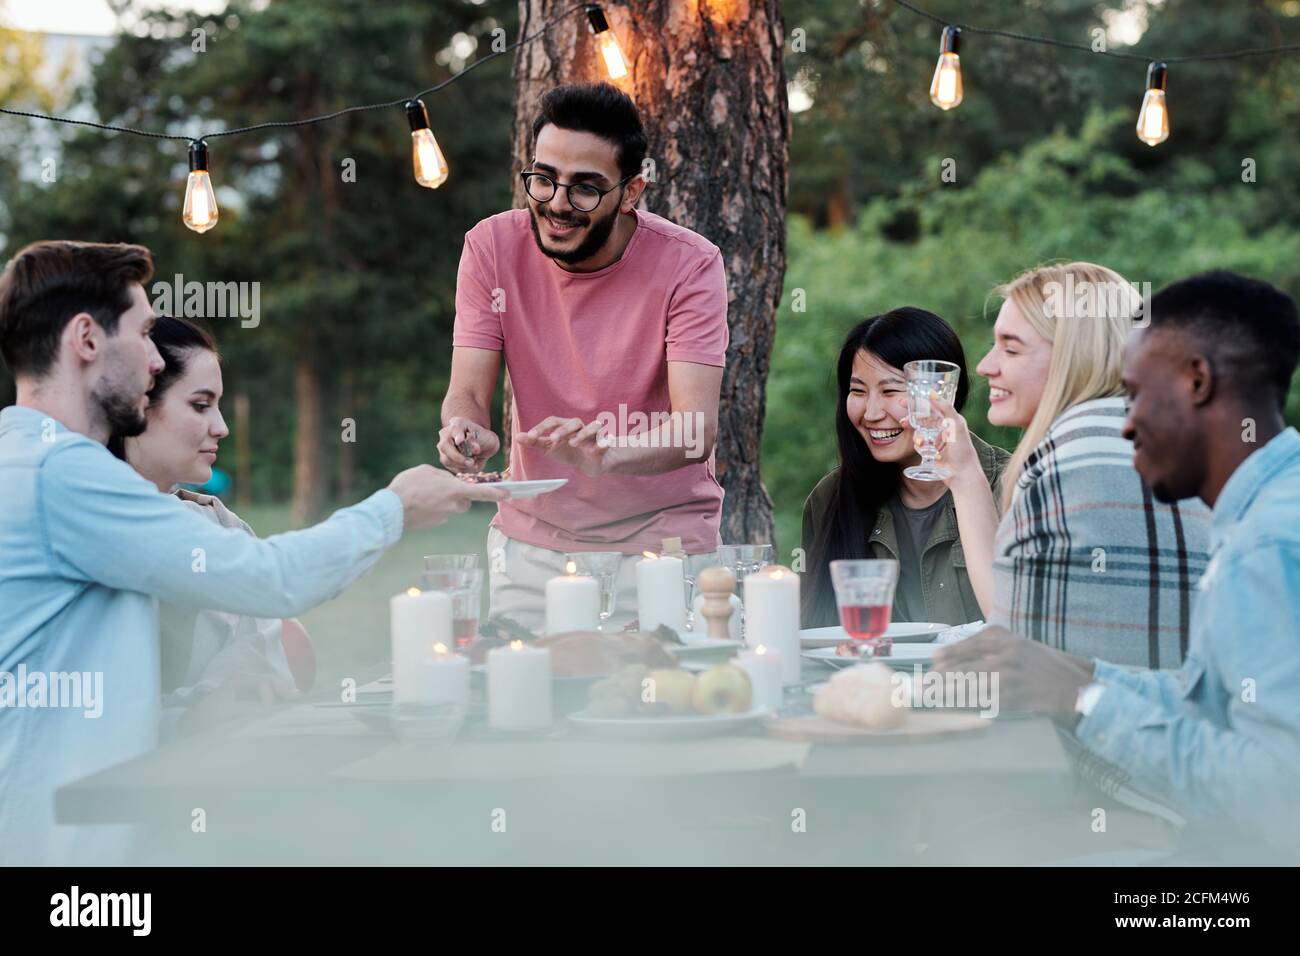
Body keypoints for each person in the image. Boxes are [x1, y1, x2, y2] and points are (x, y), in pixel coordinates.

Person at [0, 240, 508, 864]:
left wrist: (190, 713)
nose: (154, 360)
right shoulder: (62, 474)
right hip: (65, 852)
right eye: (141, 333)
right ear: (85, 339)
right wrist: (396, 507)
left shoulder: (27, 458)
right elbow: (269, 578)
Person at [934, 270, 1300, 859]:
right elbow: (1212, 711)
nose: (1124, 424)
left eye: (1136, 393)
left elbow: (1282, 801)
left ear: (1197, 383)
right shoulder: (1267, 507)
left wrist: (1087, 702)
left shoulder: (1269, 546)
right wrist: (1087, 678)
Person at [437, 82, 727, 631]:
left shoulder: (690, 265)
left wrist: (607, 455)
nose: (557, 204)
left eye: (586, 189)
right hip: (532, 549)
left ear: (632, 190)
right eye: (543, 179)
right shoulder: (490, 247)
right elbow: (468, 394)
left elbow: (697, 431)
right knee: (521, 708)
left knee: (657, 707)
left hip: (662, 551)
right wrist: (465, 430)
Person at [925, 262, 1209, 667]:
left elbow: (1015, 641)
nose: (987, 367)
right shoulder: (1171, 440)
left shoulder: (1067, 459)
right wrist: (966, 472)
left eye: (1011, 348)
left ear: (1075, 357)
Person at [108, 315, 314, 732]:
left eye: (218, 406)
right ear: (137, 405)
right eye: (200, 405)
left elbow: (261, 657)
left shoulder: (219, 524)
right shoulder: (84, 528)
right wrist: (191, 717)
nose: (221, 428)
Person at [800, 309, 1009, 628]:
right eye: (858, 391)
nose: (870, 413)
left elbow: (1024, 631)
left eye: (891, 391)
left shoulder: (1013, 487)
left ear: (942, 394)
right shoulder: (828, 499)